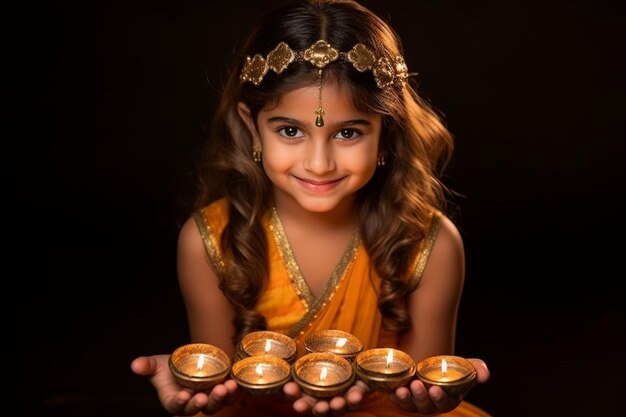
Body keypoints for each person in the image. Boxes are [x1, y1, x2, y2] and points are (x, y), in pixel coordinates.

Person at [131, 0, 491, 416]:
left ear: (386, 133)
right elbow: (220, 396)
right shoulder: (210, 242)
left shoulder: (430, 245)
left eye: (349, 133)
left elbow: (421, 393)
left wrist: (433, 400)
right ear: (252, 125)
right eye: (289, 130)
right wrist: (200, 399)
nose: (319, 164)